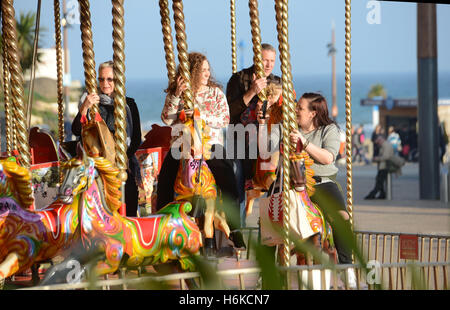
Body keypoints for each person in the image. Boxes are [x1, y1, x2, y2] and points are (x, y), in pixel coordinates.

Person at [157, 52, 245, 250]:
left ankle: (235, 227)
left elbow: (224, 119)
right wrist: (176, 95)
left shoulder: (215, 92)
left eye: (207, 69)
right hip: (182, 144)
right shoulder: (178, 93)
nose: (207, 73)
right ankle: (160, 221)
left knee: (226, 173)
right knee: (165, 176)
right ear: (192, 72)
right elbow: (167, 118)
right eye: (202, 70)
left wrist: (199, 115)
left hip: (208, 143)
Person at [289, 93, 353, 266]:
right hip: (293, 185)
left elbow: (328, 158)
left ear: (313, 113)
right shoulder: (289, 128)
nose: (295, 110)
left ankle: (347, 266)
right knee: (268, 217)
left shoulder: (329, 130)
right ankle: (265, 272)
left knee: (342, 217)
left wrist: (304, 142)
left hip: (321, 184)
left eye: (300, 108)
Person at [72, 61, 142, 217]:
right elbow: (76, 130)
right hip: (95, 162)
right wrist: (85, 107)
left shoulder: (129, 104)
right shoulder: (90, 102)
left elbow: (136, 138)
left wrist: (122, 159)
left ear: (117, 80)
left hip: (121, 161)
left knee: (129, 191)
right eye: (102, 79)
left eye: (110, 79)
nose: (105, 83)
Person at [226, 43, 281, 227]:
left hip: (266, 143)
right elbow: (229, 112)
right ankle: (238, 231)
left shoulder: (277, 82)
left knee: (276, 185)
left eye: (272, 61)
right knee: (237, 184)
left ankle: (270, 230)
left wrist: (273, 103)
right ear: (256, 59)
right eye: (265, 60)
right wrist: (252, 92)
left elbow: (287, 110)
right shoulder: (239, 79)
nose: (268, 65)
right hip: (241, 141)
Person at [364, 135, 394, 200]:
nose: (378, 143)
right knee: (379, 180)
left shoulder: (386, 145)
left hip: (385, 166)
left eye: (378, 141)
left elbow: (386, 156)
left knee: (379, 181)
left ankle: (372, 194)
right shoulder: (384, 145)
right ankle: (382, 194)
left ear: (382, 140)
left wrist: (377, 158)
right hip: (383, 166)